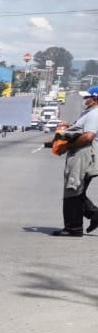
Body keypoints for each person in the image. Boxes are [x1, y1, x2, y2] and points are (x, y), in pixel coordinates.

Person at [52, 87, 98, 236]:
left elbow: (88, 136)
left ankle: (73, 227)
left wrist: (68, 146)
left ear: (95, 98)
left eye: (87, 97)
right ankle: (92, 215)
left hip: (84, 154)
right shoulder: (90, 113)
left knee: (73, 189)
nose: (85, 100)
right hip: (81, 153)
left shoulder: (95, 114)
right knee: (77, 190)